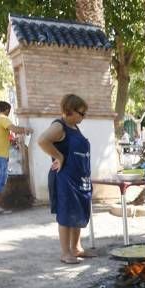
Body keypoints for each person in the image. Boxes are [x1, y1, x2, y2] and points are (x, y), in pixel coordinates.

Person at [38, 94, 96, 265]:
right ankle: (65, 252)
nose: (83, 117)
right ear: (69, 111)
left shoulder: (75, 127)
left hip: (80, 178)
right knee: (66, 214)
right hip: (65, 179)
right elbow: (42, 141)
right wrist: (59, 157)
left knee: (77, 213)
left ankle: (76, 248)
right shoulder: (59, 126)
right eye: (81, 113)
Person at [0, 101, 33, 214]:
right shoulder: (2, 118)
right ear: (6, 110)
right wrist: (26, 129)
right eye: (8, 111)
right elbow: (14, 129)